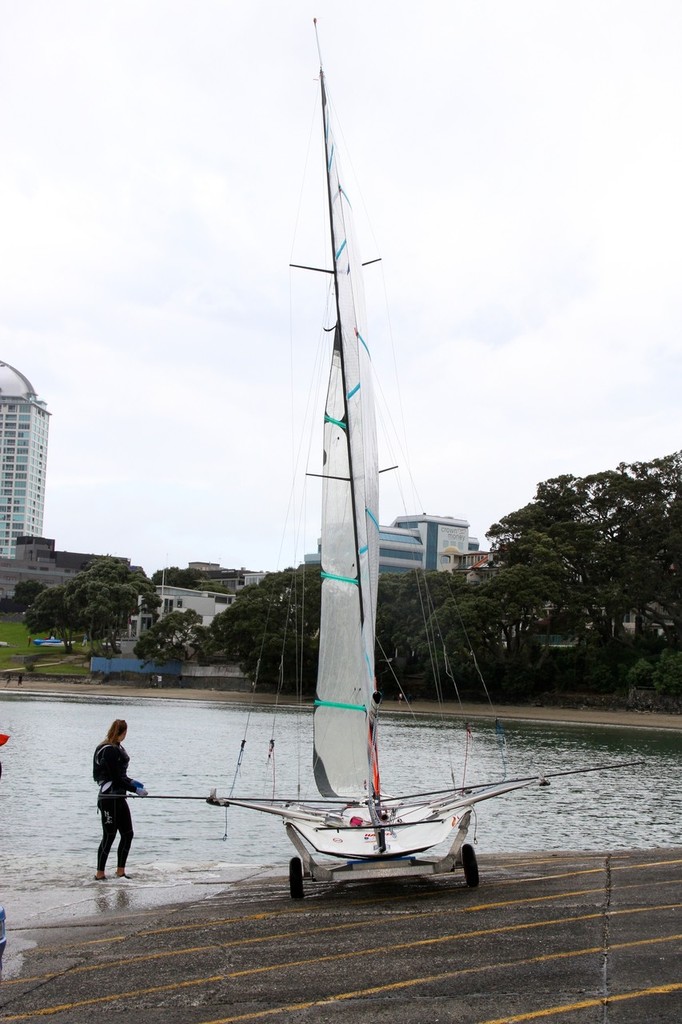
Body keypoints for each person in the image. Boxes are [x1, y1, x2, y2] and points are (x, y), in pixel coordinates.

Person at [92, 719, 148, 880]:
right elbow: (115, 778)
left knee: (127, 833)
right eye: (125, 733)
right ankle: (100, 873)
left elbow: (121, 776)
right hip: (109, 798)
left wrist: (131, 782)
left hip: (120, 796)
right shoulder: (108, 749)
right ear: (122, 732)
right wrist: (135, 789)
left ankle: (120, 871)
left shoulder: (117, 747)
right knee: (109, 835)